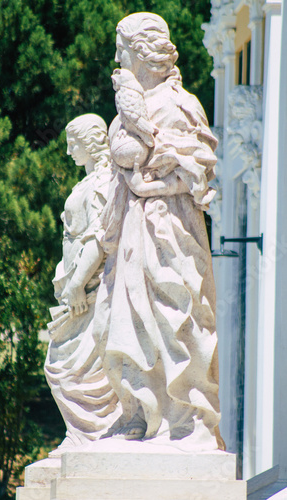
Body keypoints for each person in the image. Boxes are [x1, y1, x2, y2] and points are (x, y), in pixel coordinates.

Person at [93, 13, 225, 451]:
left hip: (172, 233)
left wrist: (158, 178)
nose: (116, 58)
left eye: (122, 49)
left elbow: (202, 169)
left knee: (176, 320)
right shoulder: (128, 109)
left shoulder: (180, 104)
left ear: (142, 52)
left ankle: (186, 425)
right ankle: (140, 413)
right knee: (123, 319)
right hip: (132, 231)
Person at [44, 114, 121, 455]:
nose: (67, 150)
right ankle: (82, 437)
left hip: (89, 293)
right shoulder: (87, 183)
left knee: (64, 368)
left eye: (72, 143)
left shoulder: (103, 182)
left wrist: (77, 285)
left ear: (90, 143)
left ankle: (93, 438)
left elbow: (97, 238)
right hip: (78, 293)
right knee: (63, 366)